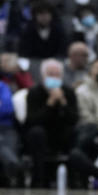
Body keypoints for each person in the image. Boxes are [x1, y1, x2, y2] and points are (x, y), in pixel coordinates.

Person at [24, 59, 79, 188]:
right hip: (41, 136)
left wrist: (63, 103)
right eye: (50, 74)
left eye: (57, 75)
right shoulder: (34, 92)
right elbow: (31, 121)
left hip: (61, 135)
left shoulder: (69, 92)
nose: (54, 78)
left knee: (76, 134)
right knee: (36, 133)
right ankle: (39, 180)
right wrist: (50, 103)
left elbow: (74, 119)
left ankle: (75, 180)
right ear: (43, 76)